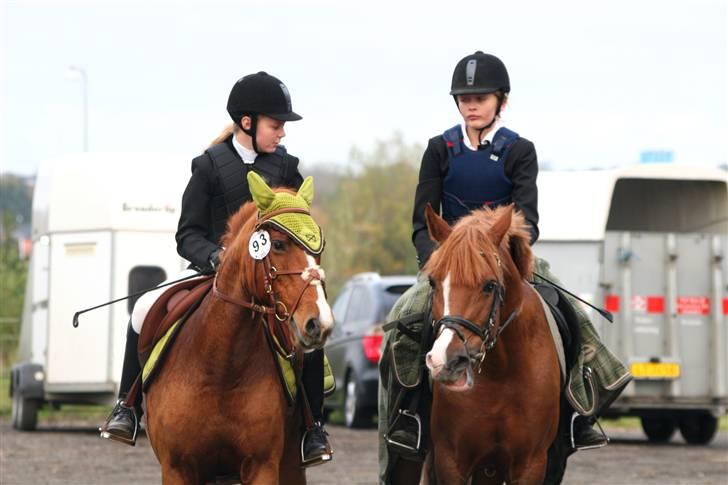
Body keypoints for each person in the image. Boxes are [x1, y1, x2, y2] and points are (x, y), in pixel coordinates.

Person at [378, 51, 632, 483]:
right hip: (451, 265)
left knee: (569, 315)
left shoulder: (519, 150)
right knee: (405, 318)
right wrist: (438, 261)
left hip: (508, 261)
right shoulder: (440, 149)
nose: (471, 104)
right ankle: (408, 417)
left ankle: (577, 413)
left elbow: (527, 219)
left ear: (501, 100)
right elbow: (423, 220)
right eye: (464, 98)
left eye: (480, 97)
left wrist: (499, 252)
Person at [100, 71, 332, 464]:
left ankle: (312, 429)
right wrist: (214, 257)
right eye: (276, 125)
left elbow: (297, 232)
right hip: (211, 273)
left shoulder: (287, 168)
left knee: (303, 328)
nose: (282, 134)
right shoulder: (208, 166)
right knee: (143, 309)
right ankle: (128, 405)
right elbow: (187, 233)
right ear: (248, 122)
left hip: (270, 279)